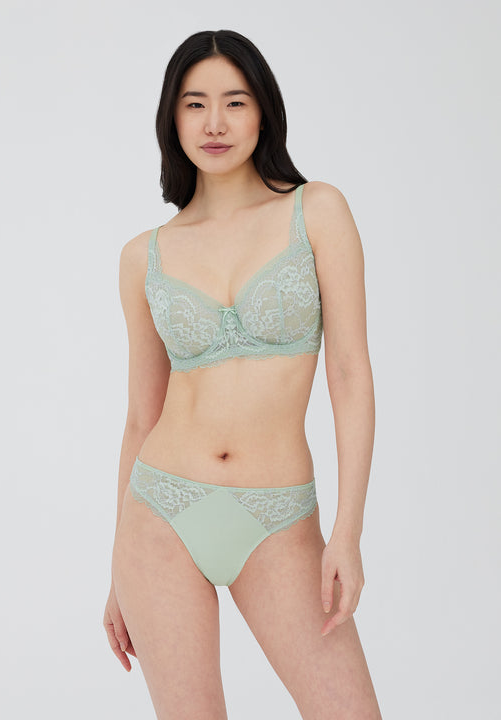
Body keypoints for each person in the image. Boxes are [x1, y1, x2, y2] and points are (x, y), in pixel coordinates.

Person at [103, 29, 382, 720]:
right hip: (159, 514)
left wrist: (347, 532)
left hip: (279, 518)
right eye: (195, 104)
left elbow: (350, 373)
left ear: (264, 112)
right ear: (173, 118)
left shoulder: (316, 211)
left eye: (235, 102)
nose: (215, 123)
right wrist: (116, 570)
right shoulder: (144, 256)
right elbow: (140, 417)